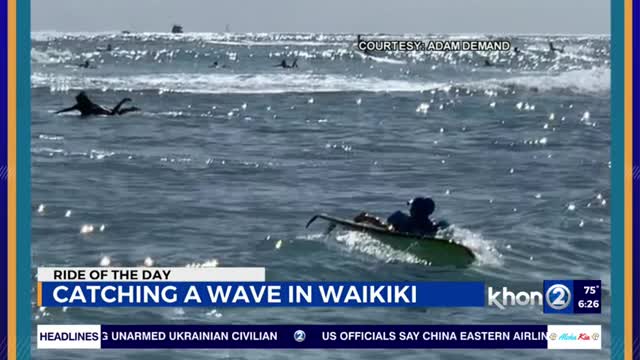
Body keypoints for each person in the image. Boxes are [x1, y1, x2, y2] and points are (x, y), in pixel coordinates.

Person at [354, 197, 447, 236]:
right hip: (398, 228)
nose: (410, 209)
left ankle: (366, 217)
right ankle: (365, 217)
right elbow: (388, 227)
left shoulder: (431, 225)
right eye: (412, 207)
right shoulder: (403, 220)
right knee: (386, 226)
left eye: (413, 207)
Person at [56, 91, 140, 117]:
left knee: (114, 113)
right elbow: (67, 109)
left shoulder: (83, 105)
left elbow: (67, 109)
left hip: (103, 111)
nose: (77, 101)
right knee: (117, 112)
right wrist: (58, 112)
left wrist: (58, 112)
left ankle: (124, 102)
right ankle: (129, 108)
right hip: (102, 110)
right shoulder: (79, 105)